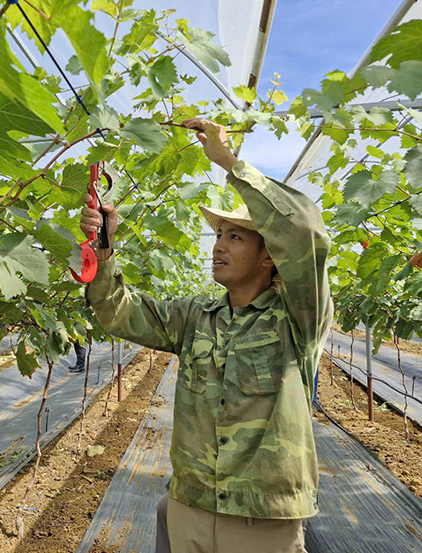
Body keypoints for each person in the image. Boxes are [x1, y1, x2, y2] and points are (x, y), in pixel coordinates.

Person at [80, 118, 333, 553]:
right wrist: (104, 249)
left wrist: (229, 162)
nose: (218, 246)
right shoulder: (195, 314)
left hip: (263, 517)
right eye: (218, 235)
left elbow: (306, 232)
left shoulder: (298, 317)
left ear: (270, 256)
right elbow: (120, 314)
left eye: (234, 236)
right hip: (190, 504)